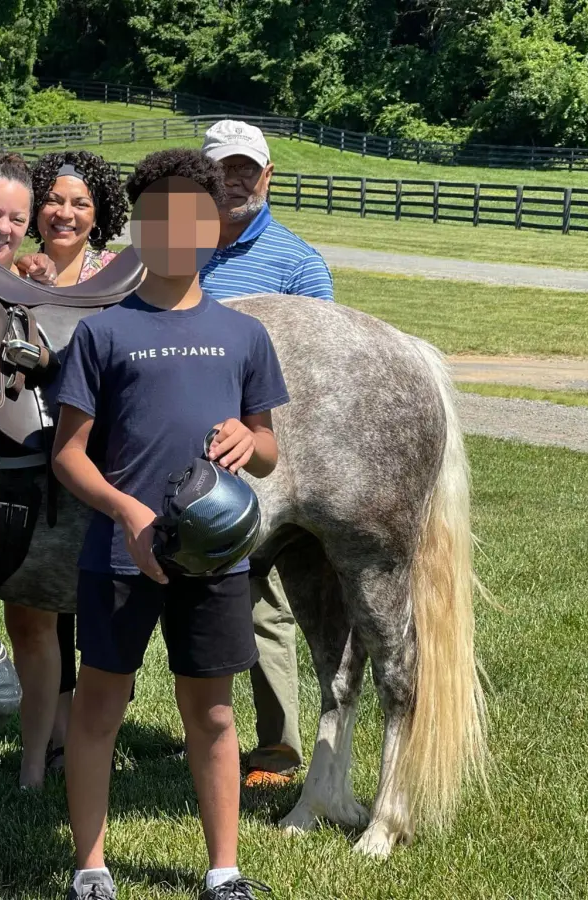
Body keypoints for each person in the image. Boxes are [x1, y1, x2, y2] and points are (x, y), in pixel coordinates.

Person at [52, 148, 286, 900]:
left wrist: (250, 440)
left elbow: (268, 452)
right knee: (99, 707)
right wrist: (127, 510)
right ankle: (91, 867)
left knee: (212, 712)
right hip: (120, 555)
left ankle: (224, 870)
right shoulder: (103, 333)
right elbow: (67, 456)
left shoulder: (244, 335)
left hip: (215, 558)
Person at [0, 149, 130, 788]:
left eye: (81, 203)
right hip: (25, 462)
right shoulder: (19, 272)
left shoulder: (119, 278)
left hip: (99, 457)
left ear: (100, 213)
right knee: (33, 613)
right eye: (54, 200)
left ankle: (86, 734)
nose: (65, 213)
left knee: (96, 606)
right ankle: (44, 746)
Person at [197, 119, 334, 789]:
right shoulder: (175, 251)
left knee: (261, 600)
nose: (235, 181)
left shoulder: (298, 264)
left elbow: (319, 378)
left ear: (268, 176)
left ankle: (277, 749)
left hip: (259, 455)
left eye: (247, 169)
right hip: (170, 443)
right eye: (222, 169)